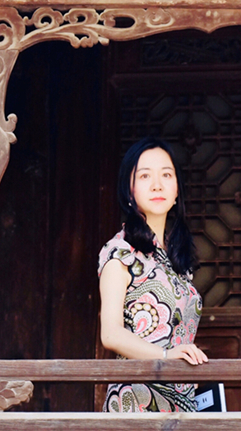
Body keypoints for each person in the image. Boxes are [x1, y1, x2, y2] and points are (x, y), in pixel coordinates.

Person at [98, 137, 208, 413]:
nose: (157, 185)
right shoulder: (120, 253)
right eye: (145, 176)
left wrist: (186, 360)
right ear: (129, 189)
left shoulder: (176, 260)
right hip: (137, 402)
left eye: (166, 175)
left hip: (180, 402)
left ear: (177, 190)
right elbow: (111, 334)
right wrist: (166, 356)